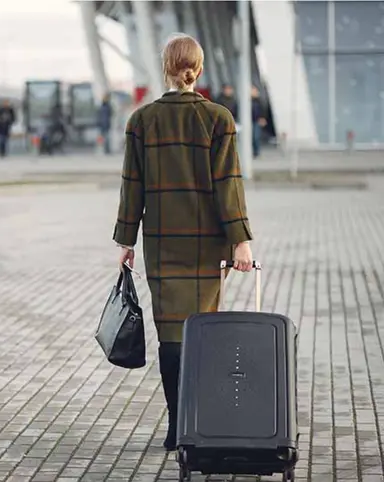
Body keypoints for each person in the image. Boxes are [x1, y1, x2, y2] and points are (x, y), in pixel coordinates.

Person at [113, 33, 254, 452]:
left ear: (165, 69)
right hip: (208, 245)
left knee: (171, 335)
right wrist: (240, 241)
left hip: (162, 245)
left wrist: (126, 240)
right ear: (199, 68)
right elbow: (229, 186)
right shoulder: (218, 118)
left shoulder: (142, 120)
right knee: (202, 331)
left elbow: (132, 186)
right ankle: (198, 423)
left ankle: (177, 424)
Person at [251, 85, 267, 158]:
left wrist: (263, 118)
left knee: (256, 136)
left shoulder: (259, 100)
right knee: (251, 137)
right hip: (249, 121)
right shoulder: (247, 100)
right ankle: (252, 151)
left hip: (257, 120)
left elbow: (263, 110)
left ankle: (256, 152)